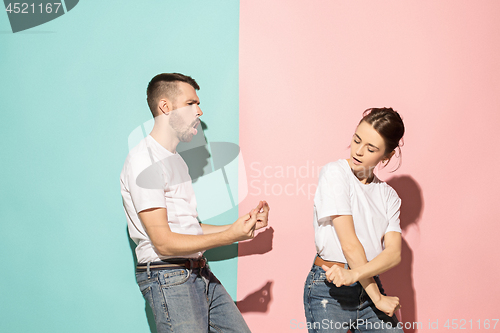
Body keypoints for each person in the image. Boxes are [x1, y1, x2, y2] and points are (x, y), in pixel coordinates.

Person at [120, 73, 269, 333]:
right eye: (191, 103)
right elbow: (164, 243)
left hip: (198, 272)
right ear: (165, 107)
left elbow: (190, 226)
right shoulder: (144, 160)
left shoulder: (176, 160)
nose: (199, 111)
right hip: (169, 275)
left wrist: (237, 228)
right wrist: (227, 237)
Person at [303, 107, 405, 333]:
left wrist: (357, 277)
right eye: (357, 140)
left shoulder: (389, 197)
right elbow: (349, 244)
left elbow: (393, 253)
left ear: (386, 156)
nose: (358, 151)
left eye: (371, 148)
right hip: (329, 289)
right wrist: (378, 298)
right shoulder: (335, 173)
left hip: (367, 286)